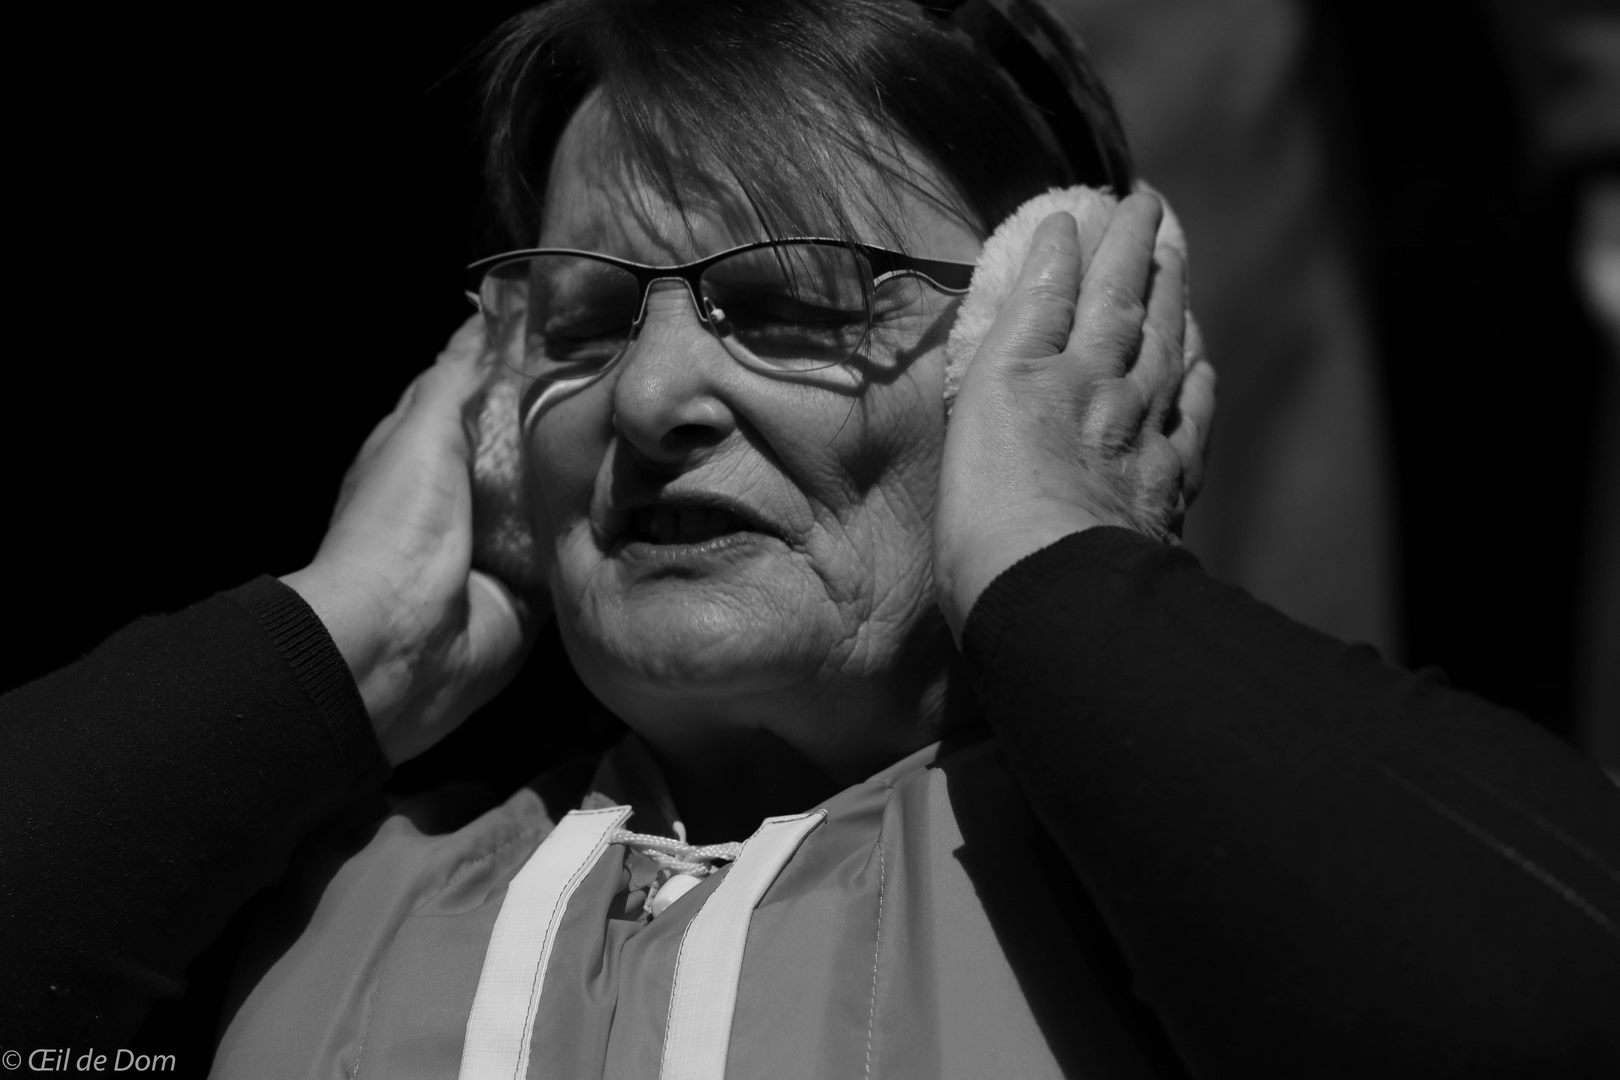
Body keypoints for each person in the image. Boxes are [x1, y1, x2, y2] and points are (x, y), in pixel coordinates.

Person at [3, 0, 1617, 1076]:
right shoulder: (285, 893)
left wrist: (1057, 554)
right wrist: (343, 636)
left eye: (787, 303)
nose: (648, 397)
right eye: (584, 322)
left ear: (1040, 337)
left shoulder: (1183, 914)